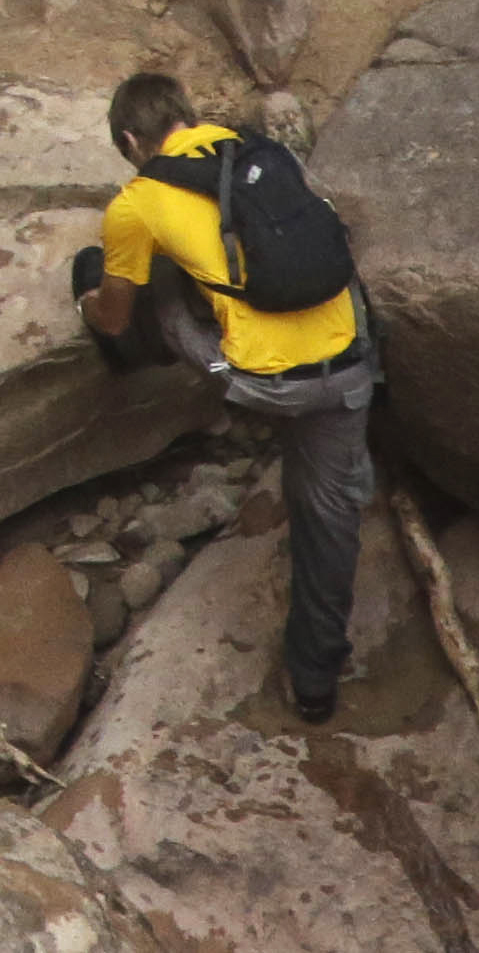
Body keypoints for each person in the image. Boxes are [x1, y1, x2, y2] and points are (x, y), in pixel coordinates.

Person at [75, 73, 377, 724]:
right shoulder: (263, 153)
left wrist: (90, 299)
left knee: (129, 285)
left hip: (265, 383)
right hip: (349, 363)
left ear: (131, 140)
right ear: (190, 113)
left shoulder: (138, 200)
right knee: (328, 517)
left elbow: (115, 314)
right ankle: (316, 686)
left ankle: (153, 361)